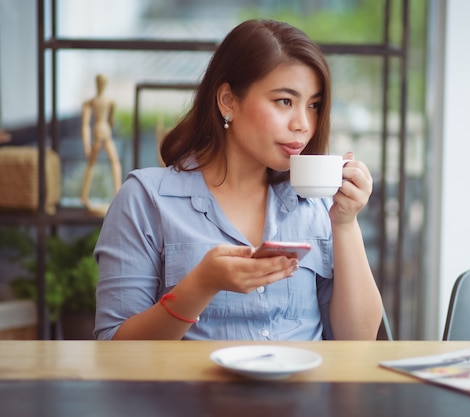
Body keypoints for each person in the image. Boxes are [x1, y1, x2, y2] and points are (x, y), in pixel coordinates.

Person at [94, 18, 383, 341]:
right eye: (284, 101)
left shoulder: (320, 205)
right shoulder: (145, 200)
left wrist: (345, 224)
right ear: (228, 101)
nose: (303, 123)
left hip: (303, 391)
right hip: (191, 392)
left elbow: (357, 342)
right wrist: (201, 285)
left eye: (313, 105)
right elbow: (114, 348)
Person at [80, 74, 122, 215]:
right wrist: (86, 144)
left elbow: (111, 120)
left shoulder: (109, 102)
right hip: (99, 131)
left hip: (104, 131)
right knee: (92, 163)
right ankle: (84, 195)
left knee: (114, 161)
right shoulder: (91, 102)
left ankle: (118, 193)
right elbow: (85, 125)